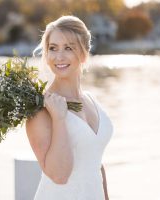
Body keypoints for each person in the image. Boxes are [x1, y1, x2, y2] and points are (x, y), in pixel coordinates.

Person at [25, 15, 114, 200]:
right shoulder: (40, 110)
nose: (59, 56)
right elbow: (59, 175)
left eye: (68, 48)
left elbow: (96, 161)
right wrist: (59, 119)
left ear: (84, 52)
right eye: (53, 48)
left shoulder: (90, 99)